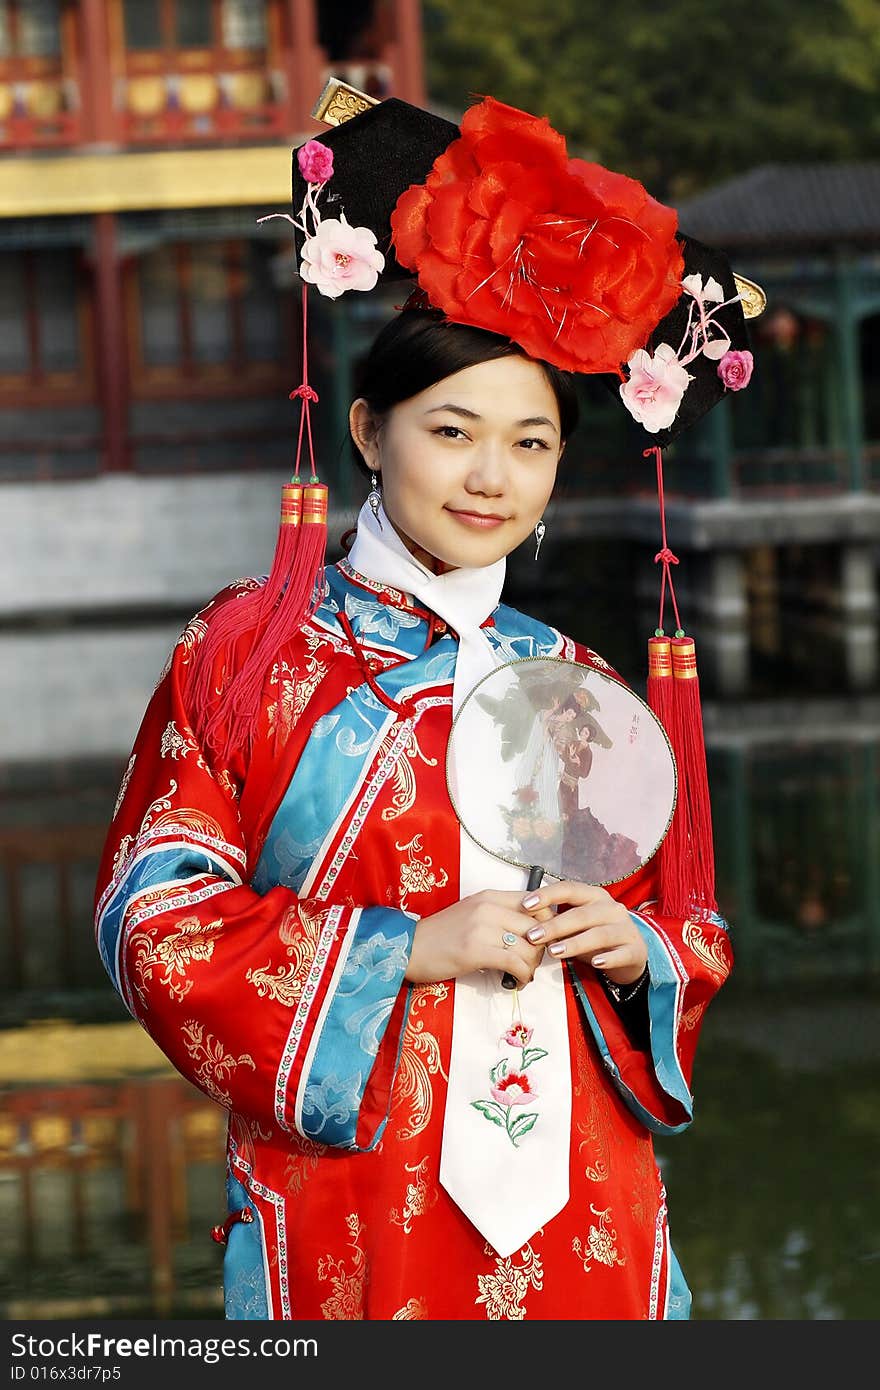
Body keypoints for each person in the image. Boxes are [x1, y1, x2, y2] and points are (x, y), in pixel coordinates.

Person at [94, 91, 755, 1320]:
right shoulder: (250, 651)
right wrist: (407, 950)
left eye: (531, 443)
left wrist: (639, 953)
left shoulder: (583, 681)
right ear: (367, 430)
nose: (490, 476)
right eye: (451, 430)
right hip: (356, 1200)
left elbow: (683, 924)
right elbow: (155, 921)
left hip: (586, 1203)